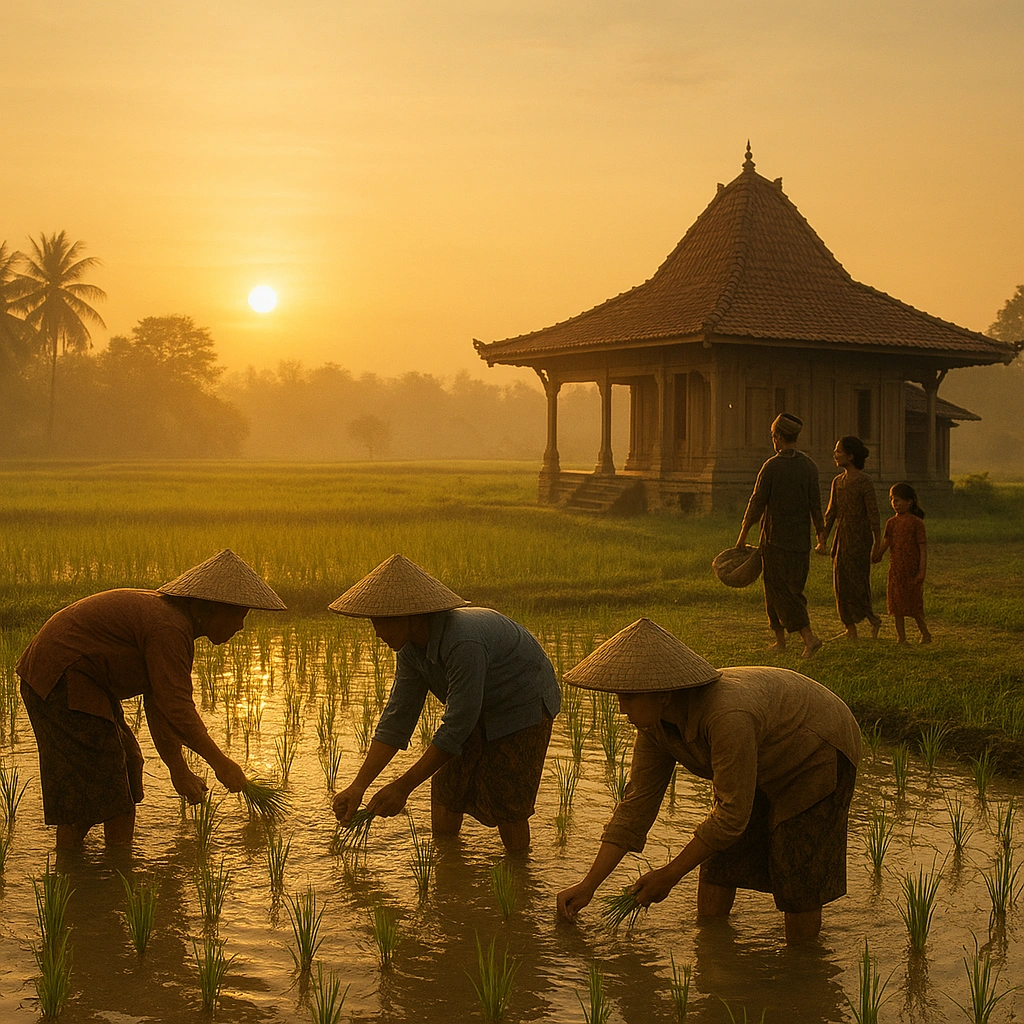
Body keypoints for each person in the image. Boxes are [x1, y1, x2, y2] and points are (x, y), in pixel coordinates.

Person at [556, 618, 861, 945]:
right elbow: (636, 807)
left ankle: (802, 969)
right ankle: (712, 954)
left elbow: (731, 817)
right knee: (718, 862)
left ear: (664, 694)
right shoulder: (655, 727)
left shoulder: (727, 717)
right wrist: (588, 885)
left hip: (817, 750)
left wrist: (669, 875)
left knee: (796, 870)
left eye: (629, 696)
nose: (621, 707)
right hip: (764, 755)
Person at [18, 549, 287, 849]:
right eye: (238, 615)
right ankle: (101, 870)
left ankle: (97, 870)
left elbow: (159, 703)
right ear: (210, 607)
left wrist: (178, 769)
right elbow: (177, 707)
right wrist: (220, 763)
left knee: (125, 766)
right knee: (105, 784)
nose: (240, 626)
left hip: (80, 681)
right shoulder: (169, 627)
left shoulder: (175, 624)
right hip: (60, 678)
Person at [330, 554, 561, 853]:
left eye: (384, 622)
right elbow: (397, 719)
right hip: (478, 707)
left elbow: (458, 725)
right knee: (446, 790)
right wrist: (358, 786)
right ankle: (447, 867)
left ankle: (519, 874)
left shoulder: (463, 642)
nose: (378, 632)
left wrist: (403, 786)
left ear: (412, 616)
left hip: (522, 705)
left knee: (508, 800)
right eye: (374, 622)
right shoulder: (410, 650)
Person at [736, 412, 826, 657]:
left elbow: (756, 503)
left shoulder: (771, 467)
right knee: (788, 589)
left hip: (775, 540)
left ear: (777, 437)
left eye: (773, 436)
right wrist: (821, 536)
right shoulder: (809, 466)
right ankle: (780, 640)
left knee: (782, 591)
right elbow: (815, 505)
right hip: (800, 541)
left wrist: (742, 536)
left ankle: (809, 638)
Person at [817, 436, 882, 640]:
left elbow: (873, 513)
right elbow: (831, 513)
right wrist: (823, 539)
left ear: (851, 456)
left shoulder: (864, 482)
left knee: (858, 582)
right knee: (840, 584)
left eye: (839, 451)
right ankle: (850, 628)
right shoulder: (837, 482)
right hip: (841, 538)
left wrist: (878, 543)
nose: (835, 455)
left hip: (860, 539)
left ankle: (872, 618)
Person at [873, 482, 931, 644]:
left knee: (914, 606)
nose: (894, 504)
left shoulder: (916, 523)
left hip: (912, 570)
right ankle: (901, 638)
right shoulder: (891, 523)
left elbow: (922, 548)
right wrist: (876, 555)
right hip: (896, 569)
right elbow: (886, 543)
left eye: (898, 500)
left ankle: (925, 634)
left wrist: (921, 571)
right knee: (896, 605)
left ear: (909, 502)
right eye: (892, 500)